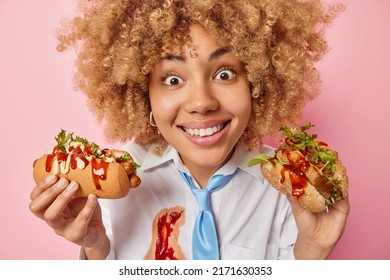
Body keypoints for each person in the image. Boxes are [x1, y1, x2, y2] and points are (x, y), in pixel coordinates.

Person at [29, 0, 349, 260]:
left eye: (224, 74)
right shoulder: (112, 187)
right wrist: (96, 246)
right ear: (144, 94)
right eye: (172, 79)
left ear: (256, 82)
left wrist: (313, 251)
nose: (201, 102)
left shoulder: (288, 188)